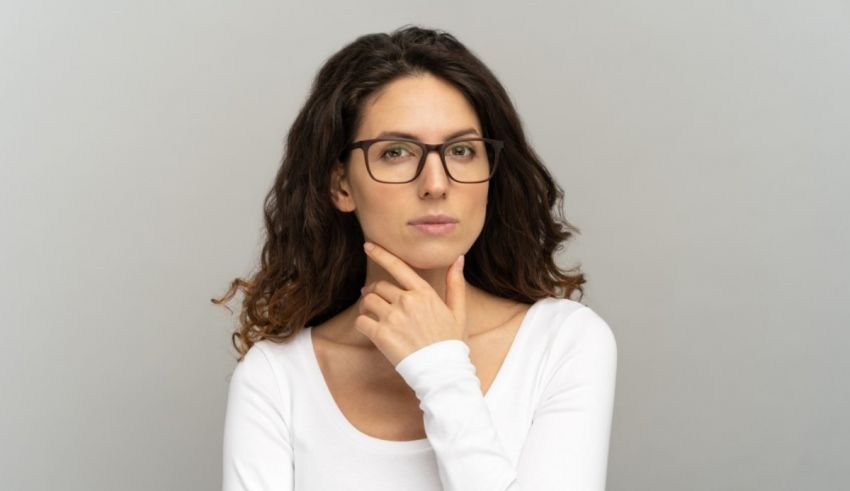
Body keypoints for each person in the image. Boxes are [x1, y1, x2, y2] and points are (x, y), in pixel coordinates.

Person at [214, 24, 617, 491]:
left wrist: (441, 370)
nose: (435, 183)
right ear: (341, 185)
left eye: (462, 150)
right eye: (396, 152)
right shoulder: (275, 379)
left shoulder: (563, 343)